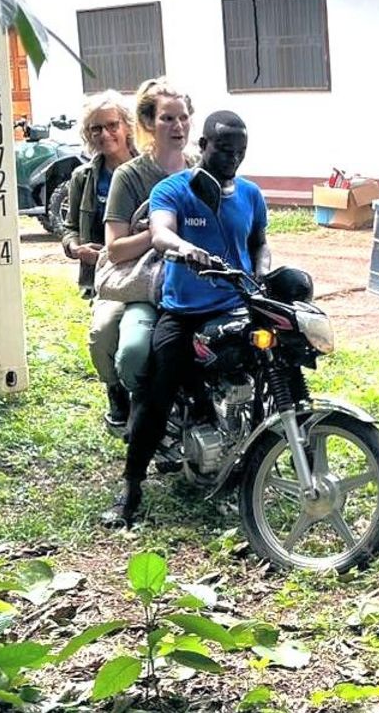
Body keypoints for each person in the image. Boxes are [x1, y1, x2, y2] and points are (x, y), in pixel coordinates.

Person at [101, 110, 267, 528]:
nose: (233, 158)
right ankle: (131, 487)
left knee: (270, 368)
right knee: (156, 391)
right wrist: (181, 247)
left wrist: (263, 271)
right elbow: (160, 232)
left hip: (236, 305)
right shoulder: (173, 189)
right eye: (225, 149)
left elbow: (259, 243)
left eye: (240, 152)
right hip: (184, 311)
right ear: (204, 146)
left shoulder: (250, 194)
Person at [97, 78, 195, 424]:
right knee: (134, 352)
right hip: (147, 283)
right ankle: (142, 414)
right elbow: (115, 250)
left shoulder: (202, 168)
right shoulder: (130, 176)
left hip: (197, 281)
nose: (178, 126)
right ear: (148, 123)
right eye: (167, 118)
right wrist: (157, 234)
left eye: (183, 117)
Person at [60, 91, 142, 425]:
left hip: (148, 270)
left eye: (111, 126)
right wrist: (76, 248)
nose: (105, 135)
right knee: (103, 333)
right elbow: (67, 229)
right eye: (96, 129)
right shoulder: (83, 177)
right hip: (106, 277)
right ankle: (116, 391)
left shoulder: (147, 168)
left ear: (127, 127)